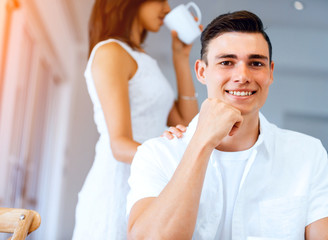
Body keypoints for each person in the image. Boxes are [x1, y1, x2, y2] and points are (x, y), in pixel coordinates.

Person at [127, 10, 328, 239]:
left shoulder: (308, 154)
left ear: (270, 73)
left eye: (255, 63)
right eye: (226, 62)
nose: (242, 75)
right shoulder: (157, 155)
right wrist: (201, 142)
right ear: (202, 72)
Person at [72, 0, 199, 239]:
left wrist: (181, 58)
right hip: (116, 187)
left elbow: (188, 123)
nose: (167, 9)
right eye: (160, 0)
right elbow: (119, 145)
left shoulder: (142, 58)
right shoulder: (110, 51)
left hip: (145, 182)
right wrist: (177, 165)